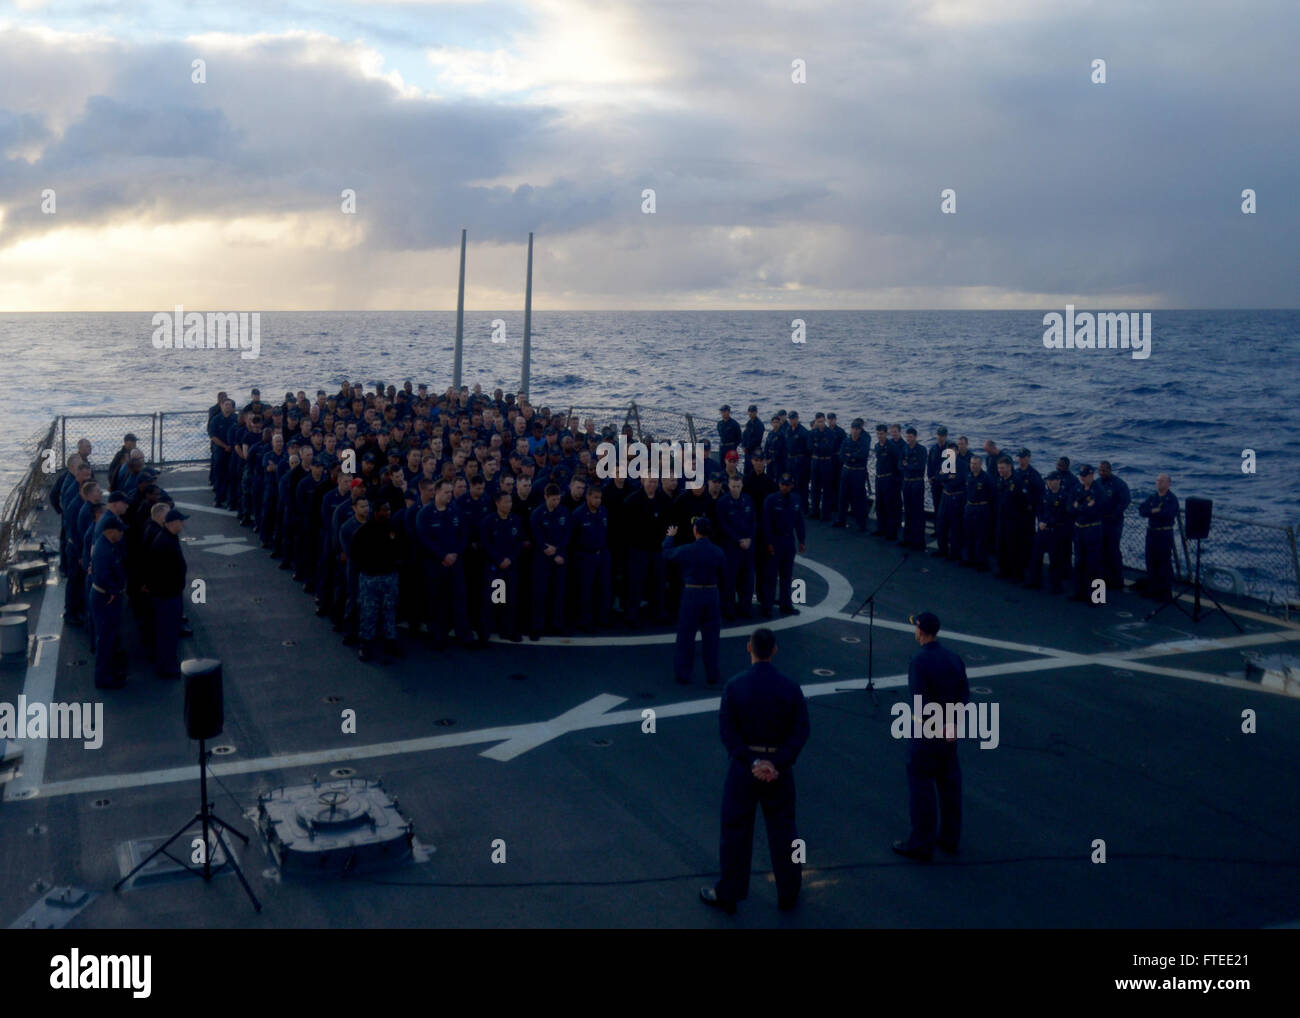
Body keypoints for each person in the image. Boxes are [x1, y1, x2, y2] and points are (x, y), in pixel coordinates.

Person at [701, 627, 809, 914]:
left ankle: (729, 893)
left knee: (735, 831)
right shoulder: (790, 687)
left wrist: (752, 762)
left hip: (744, 771)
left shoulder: (735, 686)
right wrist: (777, 763)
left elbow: (728, 732)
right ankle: (789, 891)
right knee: (785, 831)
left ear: (749, 648)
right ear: (774, 650)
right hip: (779, 771)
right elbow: (800, 732)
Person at [893, 611, 969, 862]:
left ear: (921, 632)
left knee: (922, 787)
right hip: (949, 733)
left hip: (927, 734)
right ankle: (950, 837)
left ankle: (921, 843)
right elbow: (964, 697)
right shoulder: (955, 658)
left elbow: (920, 703)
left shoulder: (919, 661)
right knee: (949, 786)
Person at [662, 517, 726, 685]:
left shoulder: (687, 550)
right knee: (712, 637)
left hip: (692, 593)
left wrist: (670, 537)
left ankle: (683, 674)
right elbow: (724, 574)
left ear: (695, 531)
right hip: (712, 593)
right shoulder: (718, 552)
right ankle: (712, 674)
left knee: (686, 636)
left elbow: (667, 553)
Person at [352, 496, 404, 661]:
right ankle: (365, 644)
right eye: (384, 510)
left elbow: (401, 547)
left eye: (389, 509)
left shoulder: (393, 528)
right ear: (376, 512)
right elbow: (356, 554)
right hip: (370, 578)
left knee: (390, 610)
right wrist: (368, 568)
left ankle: (390, 641)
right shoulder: (364, 531)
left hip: (389, 576)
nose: (388, 512)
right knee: (369, 612)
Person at [144, 508, 189, 678]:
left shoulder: (167, 538)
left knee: (168, 631)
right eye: (181, 521)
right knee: (167, 632)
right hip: (167, 595)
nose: (183, 524)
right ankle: (166, 666)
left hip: (169, 593)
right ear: (172, 523)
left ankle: (168, 662)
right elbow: (161, 571)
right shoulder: (164, 542)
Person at [89, 516, 128, 689]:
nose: (122, 534)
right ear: (111, 531)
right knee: (105, 638)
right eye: (120, 531)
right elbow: (102, 575)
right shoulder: (104, 550)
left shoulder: (108, 545)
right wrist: (113, 591)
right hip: (105, 598)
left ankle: (109, 672)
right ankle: (103, 678)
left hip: (107, 596)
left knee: (110, 636)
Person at [760, 474, 806, 617]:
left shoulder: (796, 500)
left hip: (788, 541)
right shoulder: (771, 500)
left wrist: (802, 540)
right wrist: (768, 542)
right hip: (775, 540)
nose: (784, 487)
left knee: (787, 576)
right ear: (779, 485)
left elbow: (799, 522)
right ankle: (767, 606)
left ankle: (786, 604)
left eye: (787, 485)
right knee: (771, 576)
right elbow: (766, 523)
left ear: (791, 486)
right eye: (782, 484)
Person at [716, 475, 757, 619]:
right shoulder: (722, 503)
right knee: (729, 580)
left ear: (742, 486)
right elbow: (723, 525)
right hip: (731, 547)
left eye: (738, 486)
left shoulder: (748, 500)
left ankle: (745, 608)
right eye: (733, 486)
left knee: (747, 579)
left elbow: (753, 521)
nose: (736, 489)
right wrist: (739, 539)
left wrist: (749, 539)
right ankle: (728, 609)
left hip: (747, 547)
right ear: (728, 486)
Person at [1024, 472, 1070, 594]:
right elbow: (1039, 509)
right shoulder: (1045, 494)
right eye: (1048, 481)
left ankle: (1056, 586)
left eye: (1052, 481)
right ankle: (1034, 581)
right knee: (1036, 557)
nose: (1049, 483)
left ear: (1058, 481)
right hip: (1043, 529)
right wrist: (1041, 521)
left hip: (1056, 531)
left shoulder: (1064, 496)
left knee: (1056, 559)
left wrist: (1048, 523)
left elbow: (1063, 515)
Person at [1069, 465, 1109, 601]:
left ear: (1092, 475)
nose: (1082, 478)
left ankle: (1097, 597)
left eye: (1085, 476)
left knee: (1094, 563)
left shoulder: (1099, 491)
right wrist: (1083, 507)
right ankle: (1079, 592)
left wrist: (1078, 507)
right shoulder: (1078, 488)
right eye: (1081, 475)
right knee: (1079, 562)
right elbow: (1069, 507)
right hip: (1079, 528)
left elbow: (1095, 511)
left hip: (1092, 529)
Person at [1138, 473, 1179, 601]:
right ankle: (1153, 588)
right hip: (1152, 532)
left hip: (1164, 533)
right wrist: (1153, 511)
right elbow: (1142, 510)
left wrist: (1153, 511)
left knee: (1163, 562)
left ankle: (1165, 592)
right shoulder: (1153, 497)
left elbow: (1168, 513)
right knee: (1151, 561)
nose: (1159, 483)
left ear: (1168, 484)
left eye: (1162, 481)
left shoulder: (1171, 499)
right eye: (1158, 480)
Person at [1096, 461, 1131, 592]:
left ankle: (1116, 581)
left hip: (1113, 523)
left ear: (1109, 470)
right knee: (1100, 550)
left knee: (1113, 550)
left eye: (1104, 470)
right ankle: (1103, 579)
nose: (1101, 473)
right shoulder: (1098, 483)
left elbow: (1125, 501)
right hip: (1100, 522)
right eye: (1100, 470)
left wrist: (1114, 514)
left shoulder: (1119, 484)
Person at [833, 418, 871, 531]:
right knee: (843, 496)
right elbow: (841, 454)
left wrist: (850, 456)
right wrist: (850, 457)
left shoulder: (864, 439)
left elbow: (862, 454)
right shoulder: (847, 439)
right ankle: (841, 520)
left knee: (858, 497)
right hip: (847, 469)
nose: (854, 431)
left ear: (860, 429)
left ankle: (861, 523)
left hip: (858, 471)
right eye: (853, 428)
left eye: (856, 429)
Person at [899, 427, 928, 550]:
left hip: (917, 483)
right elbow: (899, 465)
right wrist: (908, 466)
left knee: (918, 512)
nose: (908, 439)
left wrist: (908, 465)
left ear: (915, 437)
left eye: (910, 437)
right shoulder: (904, 449)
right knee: (908, 511)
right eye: (907, 437)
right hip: (907, 483)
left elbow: (920, 466)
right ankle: (907, 538)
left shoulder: (921, 450)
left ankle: (919, 541)